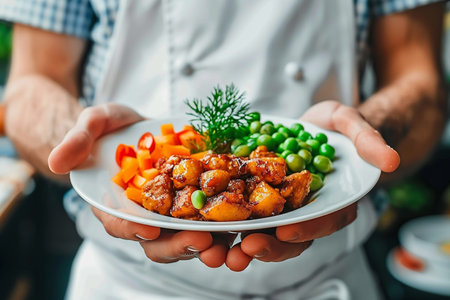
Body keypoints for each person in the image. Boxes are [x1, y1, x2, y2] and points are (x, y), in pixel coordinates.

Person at [0, 0, 447, 299]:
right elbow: (31, 82)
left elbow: (420, 81)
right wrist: (84, 143)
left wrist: (365, 136)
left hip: (325, 281)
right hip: (125, 285)